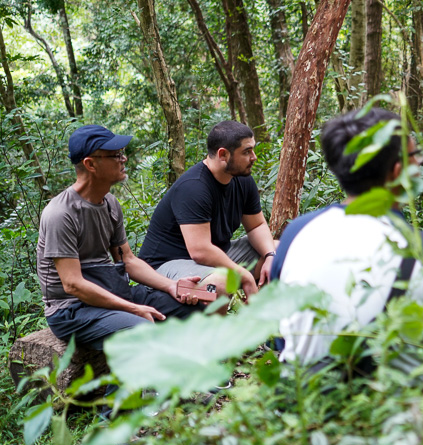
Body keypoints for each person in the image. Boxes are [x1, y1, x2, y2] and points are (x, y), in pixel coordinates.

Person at [272, 107, 423, 368]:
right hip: (395, 402)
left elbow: (280, 337)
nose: (420, 162)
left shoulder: (296, 232)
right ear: (397, 171)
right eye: (414, 156)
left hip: (301, 398)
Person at [37, 125, 202, 351]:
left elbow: (129, 261)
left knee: (192, 307)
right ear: (90, 164)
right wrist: (133, 309)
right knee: (141, 329)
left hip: (110, 291)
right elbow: (73, 284)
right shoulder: (61, 214)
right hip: (71, 309)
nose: (123, 159)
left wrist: (172, 286)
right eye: (115, 155)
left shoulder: (110, 204)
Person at [138, 121, 276, 298]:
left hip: (214, 258)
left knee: (280, 253)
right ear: (223, 154)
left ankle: (265, 316)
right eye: (247, 152)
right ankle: (222, 325)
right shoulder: (194, 187)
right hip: (165, 267)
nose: (254, 157)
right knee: (220, 284)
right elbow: (200, 251)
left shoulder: (242, 179)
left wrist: (270, 255)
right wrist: (244, 275)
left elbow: (256, 226)